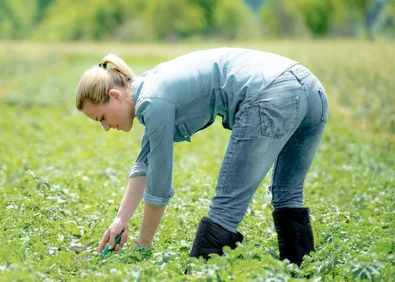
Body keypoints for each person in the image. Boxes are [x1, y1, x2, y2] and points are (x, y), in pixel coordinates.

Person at [75, 48, 328, 266]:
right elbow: (145, 162)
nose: (106, 127)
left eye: (102, 118)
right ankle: (302, 276)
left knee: (225, 208)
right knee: (288, 193)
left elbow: (158, 187)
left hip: (272, 93)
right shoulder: (152, 87)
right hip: (311, 89)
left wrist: (143, 247)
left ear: (115, 96)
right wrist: (122, 219)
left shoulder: (152, 100)